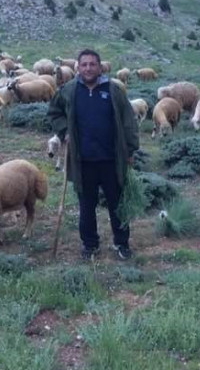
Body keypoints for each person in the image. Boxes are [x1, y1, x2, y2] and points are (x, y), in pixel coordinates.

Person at [48, 49, 139, 260]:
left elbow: (128, 121)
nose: (88, 68)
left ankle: (121, 243)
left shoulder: (114, 90)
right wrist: (64, 131)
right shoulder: (69, 91)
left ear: (100, 67)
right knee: (86, 206)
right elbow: (54, 113)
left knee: (117, 205)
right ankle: (90, 245)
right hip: (83, 161)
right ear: (78, 67)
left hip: (111, 159)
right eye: (84, 64)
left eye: (92, 64)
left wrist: (130, 149)